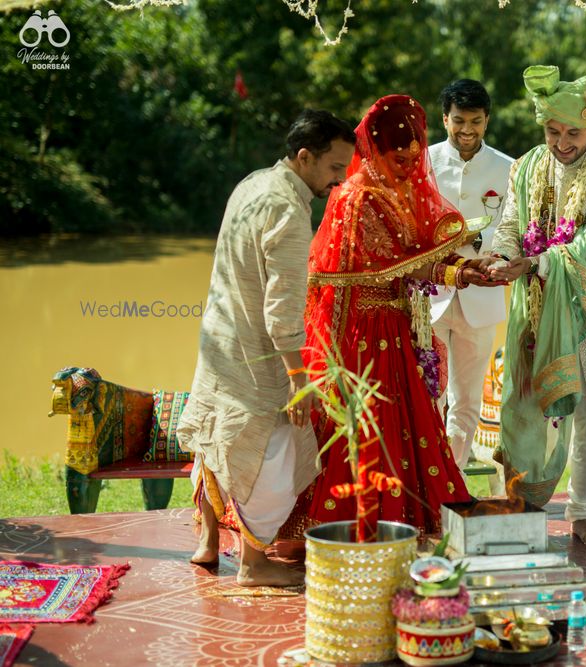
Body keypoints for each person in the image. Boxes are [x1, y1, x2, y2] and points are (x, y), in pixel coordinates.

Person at [300, 95, 499, 536]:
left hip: (399, 326)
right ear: (374, 150)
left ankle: (408, 519)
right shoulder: (354, 198)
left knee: (412, 426)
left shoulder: (400, 193)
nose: (410, 167)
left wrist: (466, 271)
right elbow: (360, 275)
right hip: (360, 335)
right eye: (399, 158)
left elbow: (412, 263)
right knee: (367, 430)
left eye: (414, 158)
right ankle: (348, 525)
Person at [177, 109, 356, 586]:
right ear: (304, 157)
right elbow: (282, 313)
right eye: (336, 168)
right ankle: (254, 565)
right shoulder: (290, 212)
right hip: (257, 352)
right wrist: (299, 380)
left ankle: (209, 543)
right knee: (272, 451)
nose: (340, 181)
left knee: (217, 441)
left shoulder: (252, 183)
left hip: (219, 339)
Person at [488, 65, 586, 548]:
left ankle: (581, 513)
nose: (562, 142)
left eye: (572, 132)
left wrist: (530, 264)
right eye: (552, 131)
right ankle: (521, 502)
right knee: (525, 408)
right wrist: (503, 256)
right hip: (536, 306)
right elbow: (510, 225)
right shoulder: (526, 166)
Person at [429, 79, 514, 469]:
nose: (467, 130)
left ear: (487, 120)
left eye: (476, 121)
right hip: (428, 298)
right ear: (445, 119)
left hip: (481, 299)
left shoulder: (508, 168)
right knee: (429, 393)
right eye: (459, 120)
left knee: (466, 399)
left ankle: (453, 480)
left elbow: (515, 226)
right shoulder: (423, 163)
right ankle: (425, 476)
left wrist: (487, 245)